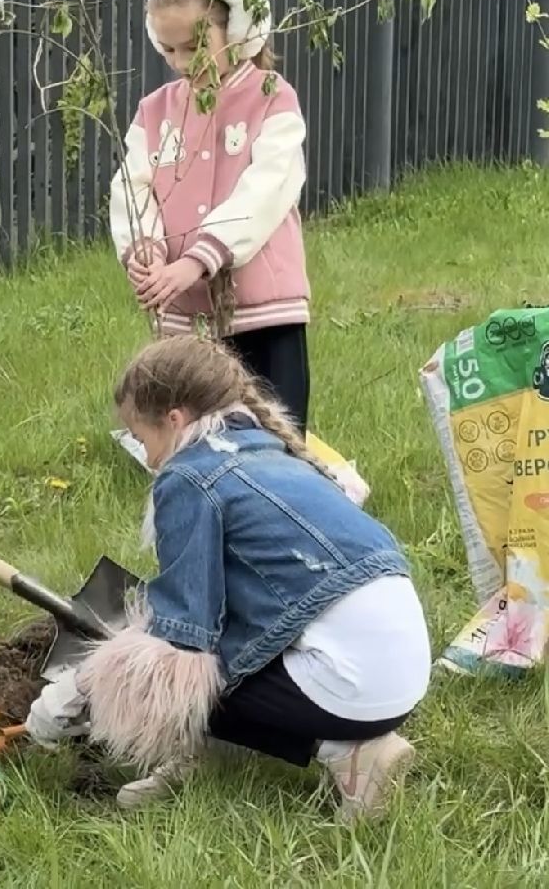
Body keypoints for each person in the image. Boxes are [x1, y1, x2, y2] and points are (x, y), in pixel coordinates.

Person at [26, 335, 431, 822]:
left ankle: (350, 755)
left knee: (173, 676)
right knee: (216, 639)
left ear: (174, 420)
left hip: (351, 688)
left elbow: (183, 638)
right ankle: (213, 754)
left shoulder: (189, 478)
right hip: (403, 672)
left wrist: (80, 689)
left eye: (142, 438)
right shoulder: (270, 449)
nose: (147, 458)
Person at [109, 0, 313, 433]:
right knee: (200, 433)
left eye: (193, 47)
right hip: (189, 316)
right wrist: (146, 250)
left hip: (264, 311)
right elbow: (133, 187)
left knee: (278, 430)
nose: (180, 63)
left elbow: (266, 188)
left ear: (239, 29)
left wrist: (199, 259)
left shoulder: (272, 97)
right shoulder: (154, 111)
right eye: (168, 49)